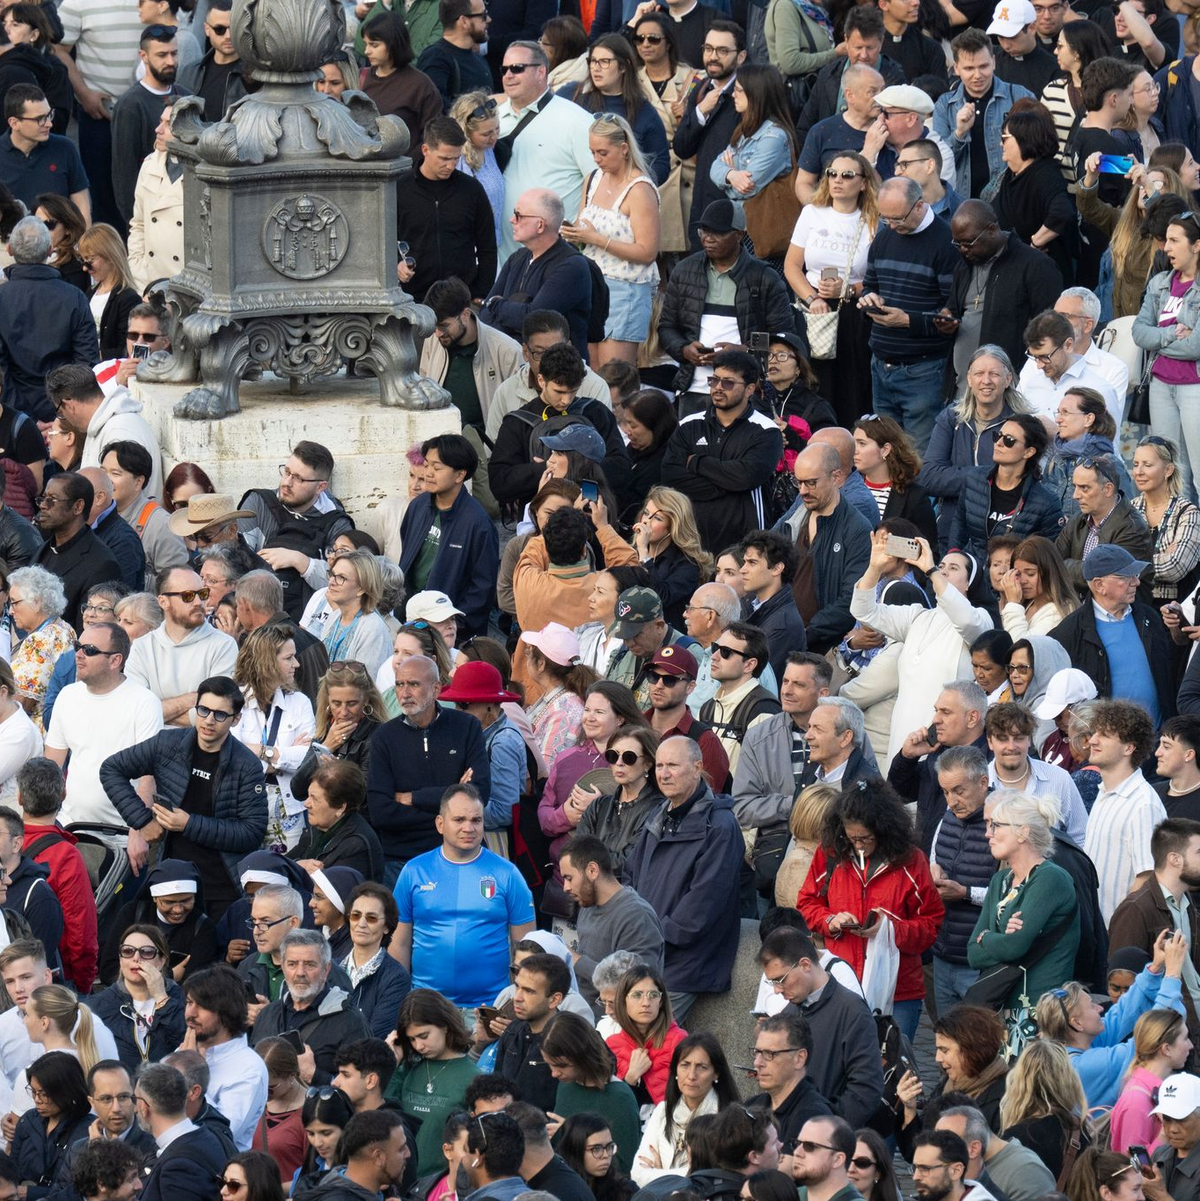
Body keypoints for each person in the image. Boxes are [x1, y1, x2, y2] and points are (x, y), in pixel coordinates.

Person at [100, 675, 267, 919]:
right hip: (173, 879)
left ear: (236, 719)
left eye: (220, 715)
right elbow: (111, 769)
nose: (209, 720)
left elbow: (252, 832)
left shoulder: (247, 765)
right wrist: (142, 821)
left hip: (222, 885)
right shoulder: (167, 744)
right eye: (203, 710)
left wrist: (189, 824)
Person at [798, 779, 942, 1040]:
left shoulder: (912, 862)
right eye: (851, 837)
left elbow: (931, 925)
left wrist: (889, 928)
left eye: (865, 838)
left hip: (898, 991)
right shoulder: (831, 854)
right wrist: (831, 920)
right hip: (841, 984)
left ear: (884, 830)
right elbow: (807, 902)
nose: (859, 845)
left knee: (893, 1062)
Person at [391, 783, 534, 1010]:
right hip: (426, 1008)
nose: (469, 828)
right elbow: (399, 943)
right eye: (459, 820)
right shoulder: (414, 871)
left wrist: (513, 1005)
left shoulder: (507, 874)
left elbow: (525, 948)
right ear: (440, 824)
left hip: (490, 1008)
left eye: (476, 820)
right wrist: (398, 1002)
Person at [657, 202, 795, 421]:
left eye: (717, 232)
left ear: (739, 235)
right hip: (693, 388)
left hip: (745, 391)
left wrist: (744, 351)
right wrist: (684, 350)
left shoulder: (764, 277)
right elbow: (667, 327)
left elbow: (783, 336)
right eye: (704, 231)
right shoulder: (684, 271)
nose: (708, 238)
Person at [365, 655, 491, 879]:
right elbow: (381, 813)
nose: (404, 693)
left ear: (436, 689)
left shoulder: (466, 727)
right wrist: (453, 803)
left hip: (459, 856)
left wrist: (414, 797)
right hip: (402, 860)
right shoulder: (383, 737)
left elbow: (478, 794)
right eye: (399, 684)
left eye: (413, 684)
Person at [857, 177, 958, 454]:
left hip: (923, 371)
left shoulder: (945, 243)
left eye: (897, 218)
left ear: (919, 206)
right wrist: (869, 300)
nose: (891, 225)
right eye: (885, 218)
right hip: (881, 365)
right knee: (884, 455)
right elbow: (871, 285)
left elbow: (953, 313)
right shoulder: (884, 237)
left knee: (918, 457)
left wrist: (908, 321)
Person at [966, 789, 1081, 1008]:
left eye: (996, 825)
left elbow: (1013, 948)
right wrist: (1002, 939)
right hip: (1001, 1005)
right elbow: (973, 954)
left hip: (1040, 1011)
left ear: (1023, 832)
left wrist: (986, 936)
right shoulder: (1000, 880)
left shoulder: (1050, 878)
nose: (988, 834)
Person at [44, 618, 161, 833]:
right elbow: (51, 765)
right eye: (77, 646)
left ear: (115, 660)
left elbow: (149, 777)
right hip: (68, 826)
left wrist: (140, 828)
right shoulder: (67, 696)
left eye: (89, 650)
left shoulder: (144, 702)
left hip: (122, 832)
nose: (78, 654)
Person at [661, 350, 784, 553]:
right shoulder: (688, 424)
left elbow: (746, 477)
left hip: (743, 542)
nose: (718, 387)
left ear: (749, 389)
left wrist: (697, 463)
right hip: (690, 539)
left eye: (728, 383)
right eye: (714, 380)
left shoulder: (766, 430)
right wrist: (727, 484)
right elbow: (671, 475)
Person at [1049, 545, 1175, 723]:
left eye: (1135, 575)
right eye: (1125, 576)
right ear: (1099, 585)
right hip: (1104, 737)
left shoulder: (1149, 618)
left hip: (1158, 736)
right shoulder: (1069, 632)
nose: (1136, 582)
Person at [0, 218, 97, 425]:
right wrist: (62, 416)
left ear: (10, 250)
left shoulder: (2, 298)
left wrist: (24, 419)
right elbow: (86, 364)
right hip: (65, 413)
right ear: (50, 250)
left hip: (15, 418)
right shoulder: (75, 297)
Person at [1132, 210, 1200, 501]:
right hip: (1160, 384)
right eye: (1166, 240)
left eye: (1174, 240)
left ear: (1196, 245)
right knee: (1170, 472)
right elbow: (1138, 332)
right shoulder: (1160, 282)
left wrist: (1156, 339)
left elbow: (1195, 346)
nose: (1166, 248)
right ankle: (1177, 526)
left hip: (1194, 387)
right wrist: (1172, 333)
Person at [558, 836, 664, 1015]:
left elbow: (639, 986)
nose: (565, 887)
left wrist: (576, 961)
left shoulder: (637, 916)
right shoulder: (587, 905)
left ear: (592, 870)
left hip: (615, 1026)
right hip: (581, 1018)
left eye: (569, 878)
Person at [394, 119, 497, 302]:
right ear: (425, 150)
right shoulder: (399, 189)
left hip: (461, 298)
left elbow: (487, 246)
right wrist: (396, 264)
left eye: (456, 158)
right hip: (412, 298)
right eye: (444, 158)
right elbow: (381, 240)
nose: (451, 165)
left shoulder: (471, 190)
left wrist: (481, 292)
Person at [632, 1032, 737, 1185]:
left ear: (716, 1073)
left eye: (702, 1067)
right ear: (675, 1070)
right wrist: (681, 1175)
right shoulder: (662, 1111)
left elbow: (707, 1178)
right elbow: (637, 1174)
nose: (691, 1075)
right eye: (685, 1065)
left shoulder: (725, 1120)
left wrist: (658, 1175)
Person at [88, 923, 186, 1071]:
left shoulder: (182, 998)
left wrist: (161, 997)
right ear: (120, 959)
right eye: (128, 951)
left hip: (168, 1082)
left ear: (161, 961)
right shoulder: (97, 1006)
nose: (136, 958)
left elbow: (186, 1043)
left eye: (146, 952)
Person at [133, 1062, 230, 1201]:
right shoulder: (212, 1136)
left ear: (143, 1107)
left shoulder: (177, 1167)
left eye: (135, 1099)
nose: (135, 1108)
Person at [0, 86, 89, 220]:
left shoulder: (65, 149)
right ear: (14, 123)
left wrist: (83, 233)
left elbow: (82, 206)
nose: (49, 124)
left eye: (49, 115)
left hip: (61, 233)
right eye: (40, 119)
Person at [11, 1051, 94, 1194]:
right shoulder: (28, 1120)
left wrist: (29, 1193)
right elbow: (12, 1171)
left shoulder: (89, 1130)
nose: (37, 1099)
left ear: (66, 1091)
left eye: (44, 1094)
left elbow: (77, 1190)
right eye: (33, 1091)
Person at [1131, 436, 1200, 602]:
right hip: (1133, 605)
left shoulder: (1188, 512)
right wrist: (1161, 556)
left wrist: (1131, 564)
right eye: (1136, 464)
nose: (1139, 471)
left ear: (1168, 470)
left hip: (1172, 610)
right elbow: (1113, 562)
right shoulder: (1129, 509)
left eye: (1147, 465)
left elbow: (1174, 567)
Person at [852, 415, 938, 547]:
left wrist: (887, 545)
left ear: (885, 450)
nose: (854, 451)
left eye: (862, 444)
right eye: (853, 444)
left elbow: (929, 550)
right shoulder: (845, 490)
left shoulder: (914, 497)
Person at [415, 0, 493, 111]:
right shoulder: (435, 58)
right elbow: (433, 108)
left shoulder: (479, 59)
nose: (489, 19)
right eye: (483, 15)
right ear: (464, 21)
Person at [1148, 1073, 1200, 1199]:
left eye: (1181, 1119)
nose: (1173, 1129)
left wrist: (1161, 1197)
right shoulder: (1160, 1154)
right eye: (1167, 1118)